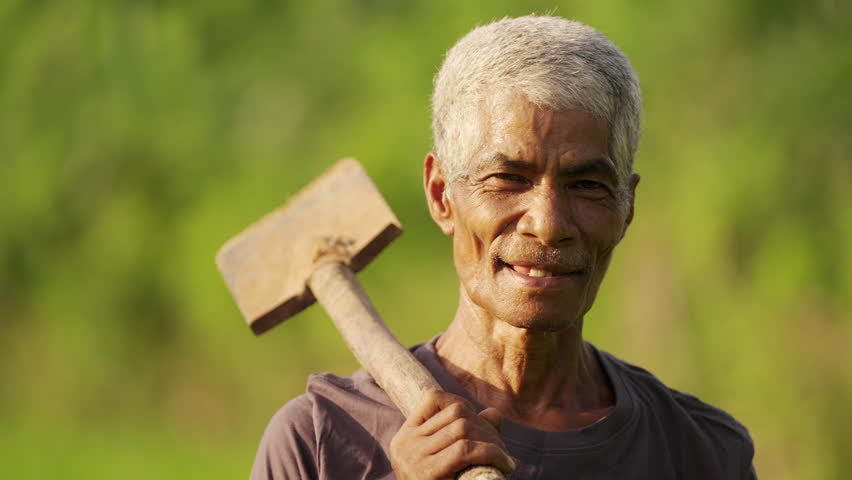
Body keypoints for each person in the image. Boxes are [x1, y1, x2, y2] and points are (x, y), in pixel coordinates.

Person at [251, 15, 756, 479]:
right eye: (508, 178)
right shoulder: (318, 444)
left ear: (627, 206)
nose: (549, 224)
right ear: (441, 195)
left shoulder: (704, 453)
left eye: (587, 185)